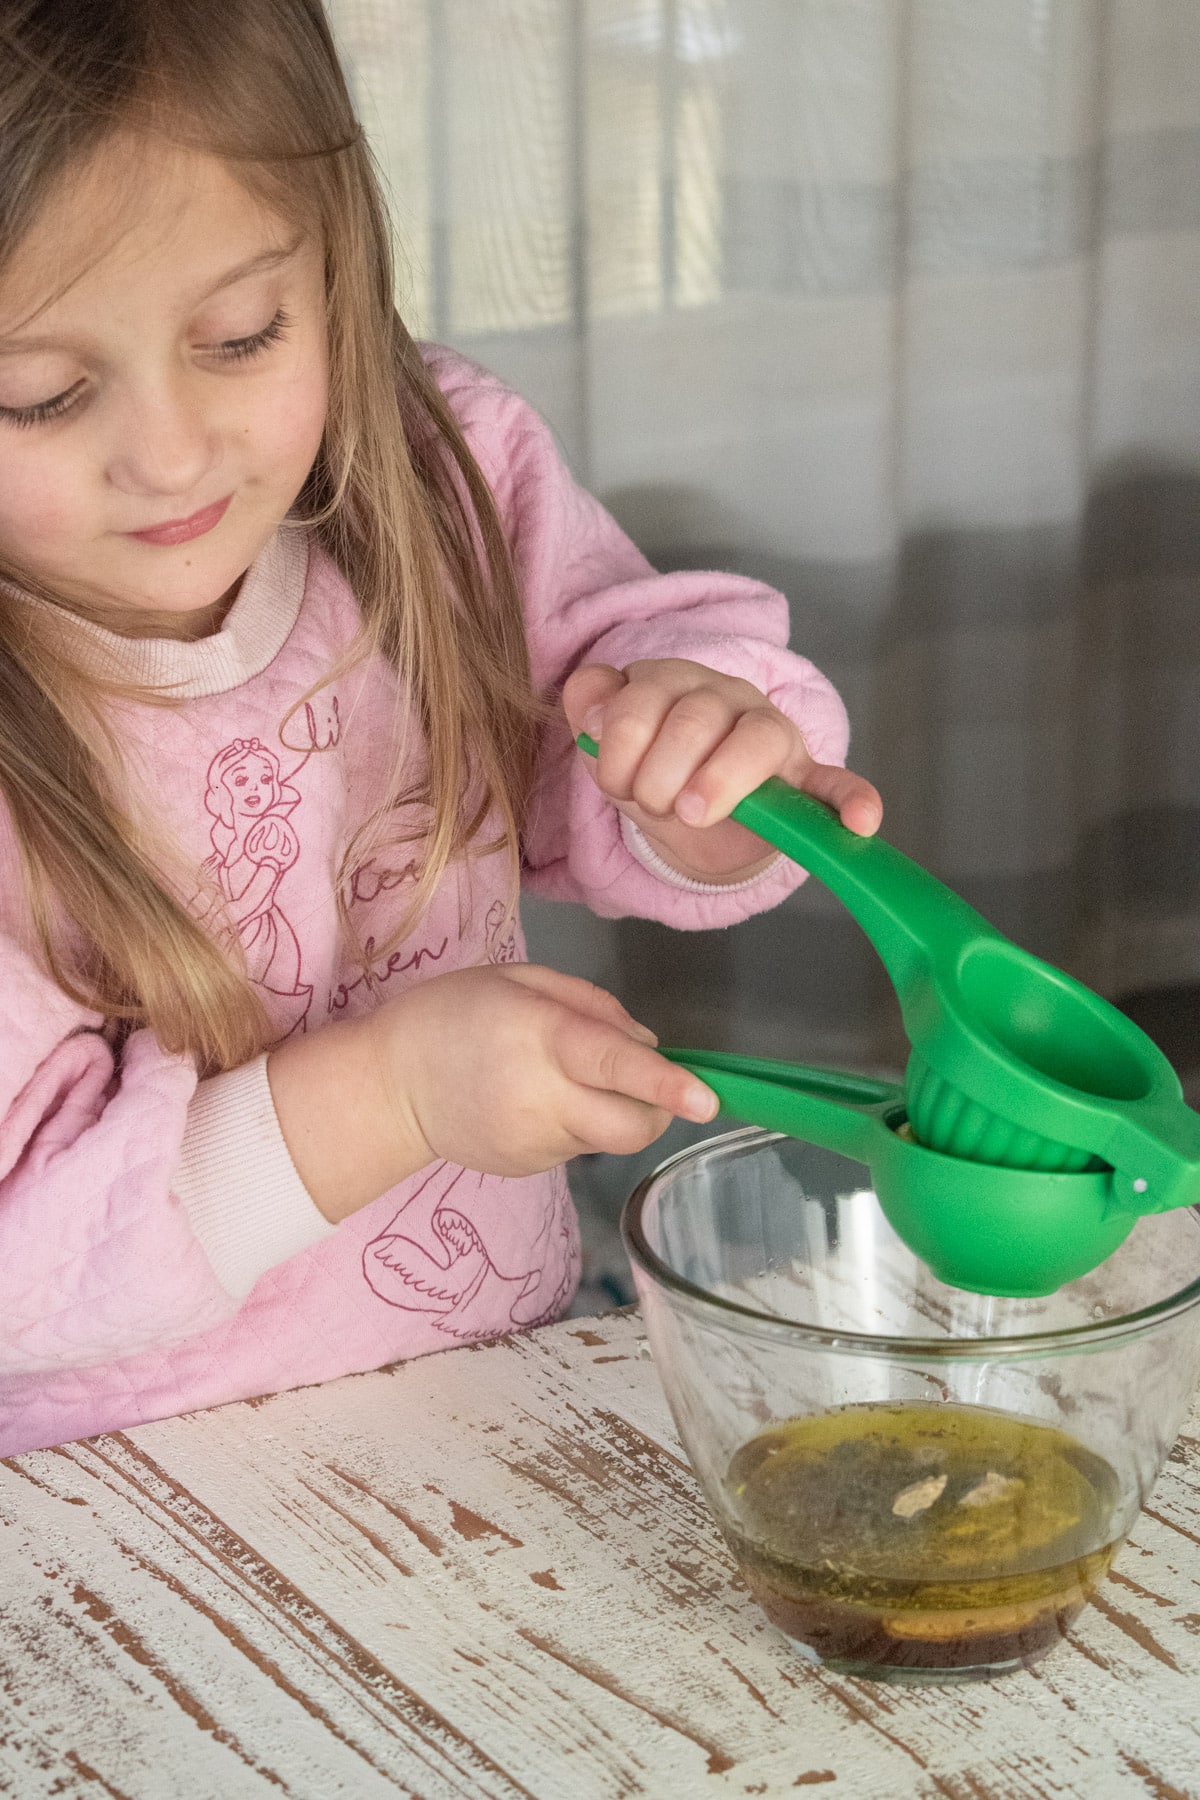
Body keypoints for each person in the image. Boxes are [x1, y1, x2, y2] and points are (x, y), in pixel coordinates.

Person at [0, 0, 880, 1456]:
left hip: (502, 1375)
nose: (169, 453)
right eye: (39, 394)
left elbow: (630, 687)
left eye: (242, 335)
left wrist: (707, 777)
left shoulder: (431, 466)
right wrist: (398, 1092)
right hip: (129, 1503)